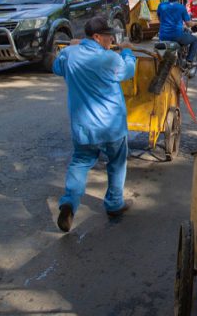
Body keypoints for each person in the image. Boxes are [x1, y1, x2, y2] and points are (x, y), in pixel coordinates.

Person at [52, 16, 137, 232]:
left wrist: (70, 48)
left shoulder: (70, 54)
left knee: (80, 163)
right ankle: (114, 204)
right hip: (111, 126)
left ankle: (69, 203)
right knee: (116, 162)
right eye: (109, 36)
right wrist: (127, 51)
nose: (112, 40)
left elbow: (57, 67)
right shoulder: (110, 58)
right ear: (97, 37)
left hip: (84, 127)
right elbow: (129, 71)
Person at [157, 0, 197, 65]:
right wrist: (196, 23)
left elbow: (160, 19)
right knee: (195, 40)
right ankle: (189, 61)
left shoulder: (161, 6)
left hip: (163, 36)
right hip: (177, 36)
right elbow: (188, 24)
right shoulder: (181, 7)